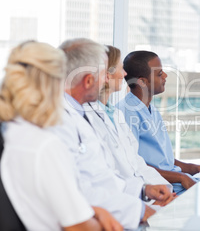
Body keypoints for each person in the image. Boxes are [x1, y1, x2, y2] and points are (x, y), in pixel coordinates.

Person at [50, 38, 173, 229]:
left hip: (122, 204)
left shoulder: (83, 114)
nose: (108, 78)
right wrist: (139, 210)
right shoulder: (59, 121)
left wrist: (144, 190)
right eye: (103, 73)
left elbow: (105, 175)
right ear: (89, 80)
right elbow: (80, 187)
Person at [0, 41, 122, 231]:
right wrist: (103, 220)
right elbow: (78, 226)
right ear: (54, 84)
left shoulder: (13, 133)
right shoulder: (44, 145)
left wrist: (94, 211)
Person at [85, 45, 173, 194]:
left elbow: (135, 161)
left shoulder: (115, 114)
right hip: (126, 196)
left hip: (143, 190)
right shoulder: (108, 114)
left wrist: (164, 190)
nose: (124, 74)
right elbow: (111, 174)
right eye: (120, 69)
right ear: (106, 75)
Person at [117, 50, 200, 195]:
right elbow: (133, 164)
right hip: (160, 188)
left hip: (175, 183)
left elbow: (165, 161)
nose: (165, 76)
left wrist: (193, 168)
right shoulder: (127, 113)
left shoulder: (151, 109)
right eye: (159, 74)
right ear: (142, 81)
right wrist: (181, 177)